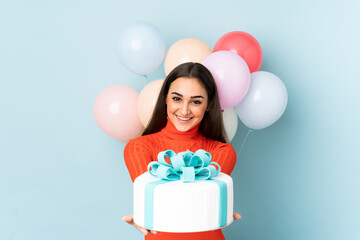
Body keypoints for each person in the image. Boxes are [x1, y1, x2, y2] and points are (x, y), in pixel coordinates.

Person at [122, 62, 241, 240]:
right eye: (177, 99)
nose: (184, 110)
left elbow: (189, 200)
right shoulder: (138, 148)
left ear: (208, 105)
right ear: (165, 99)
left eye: (196, 101)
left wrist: (218, 209)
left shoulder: (223, 152)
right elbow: (176, 201)